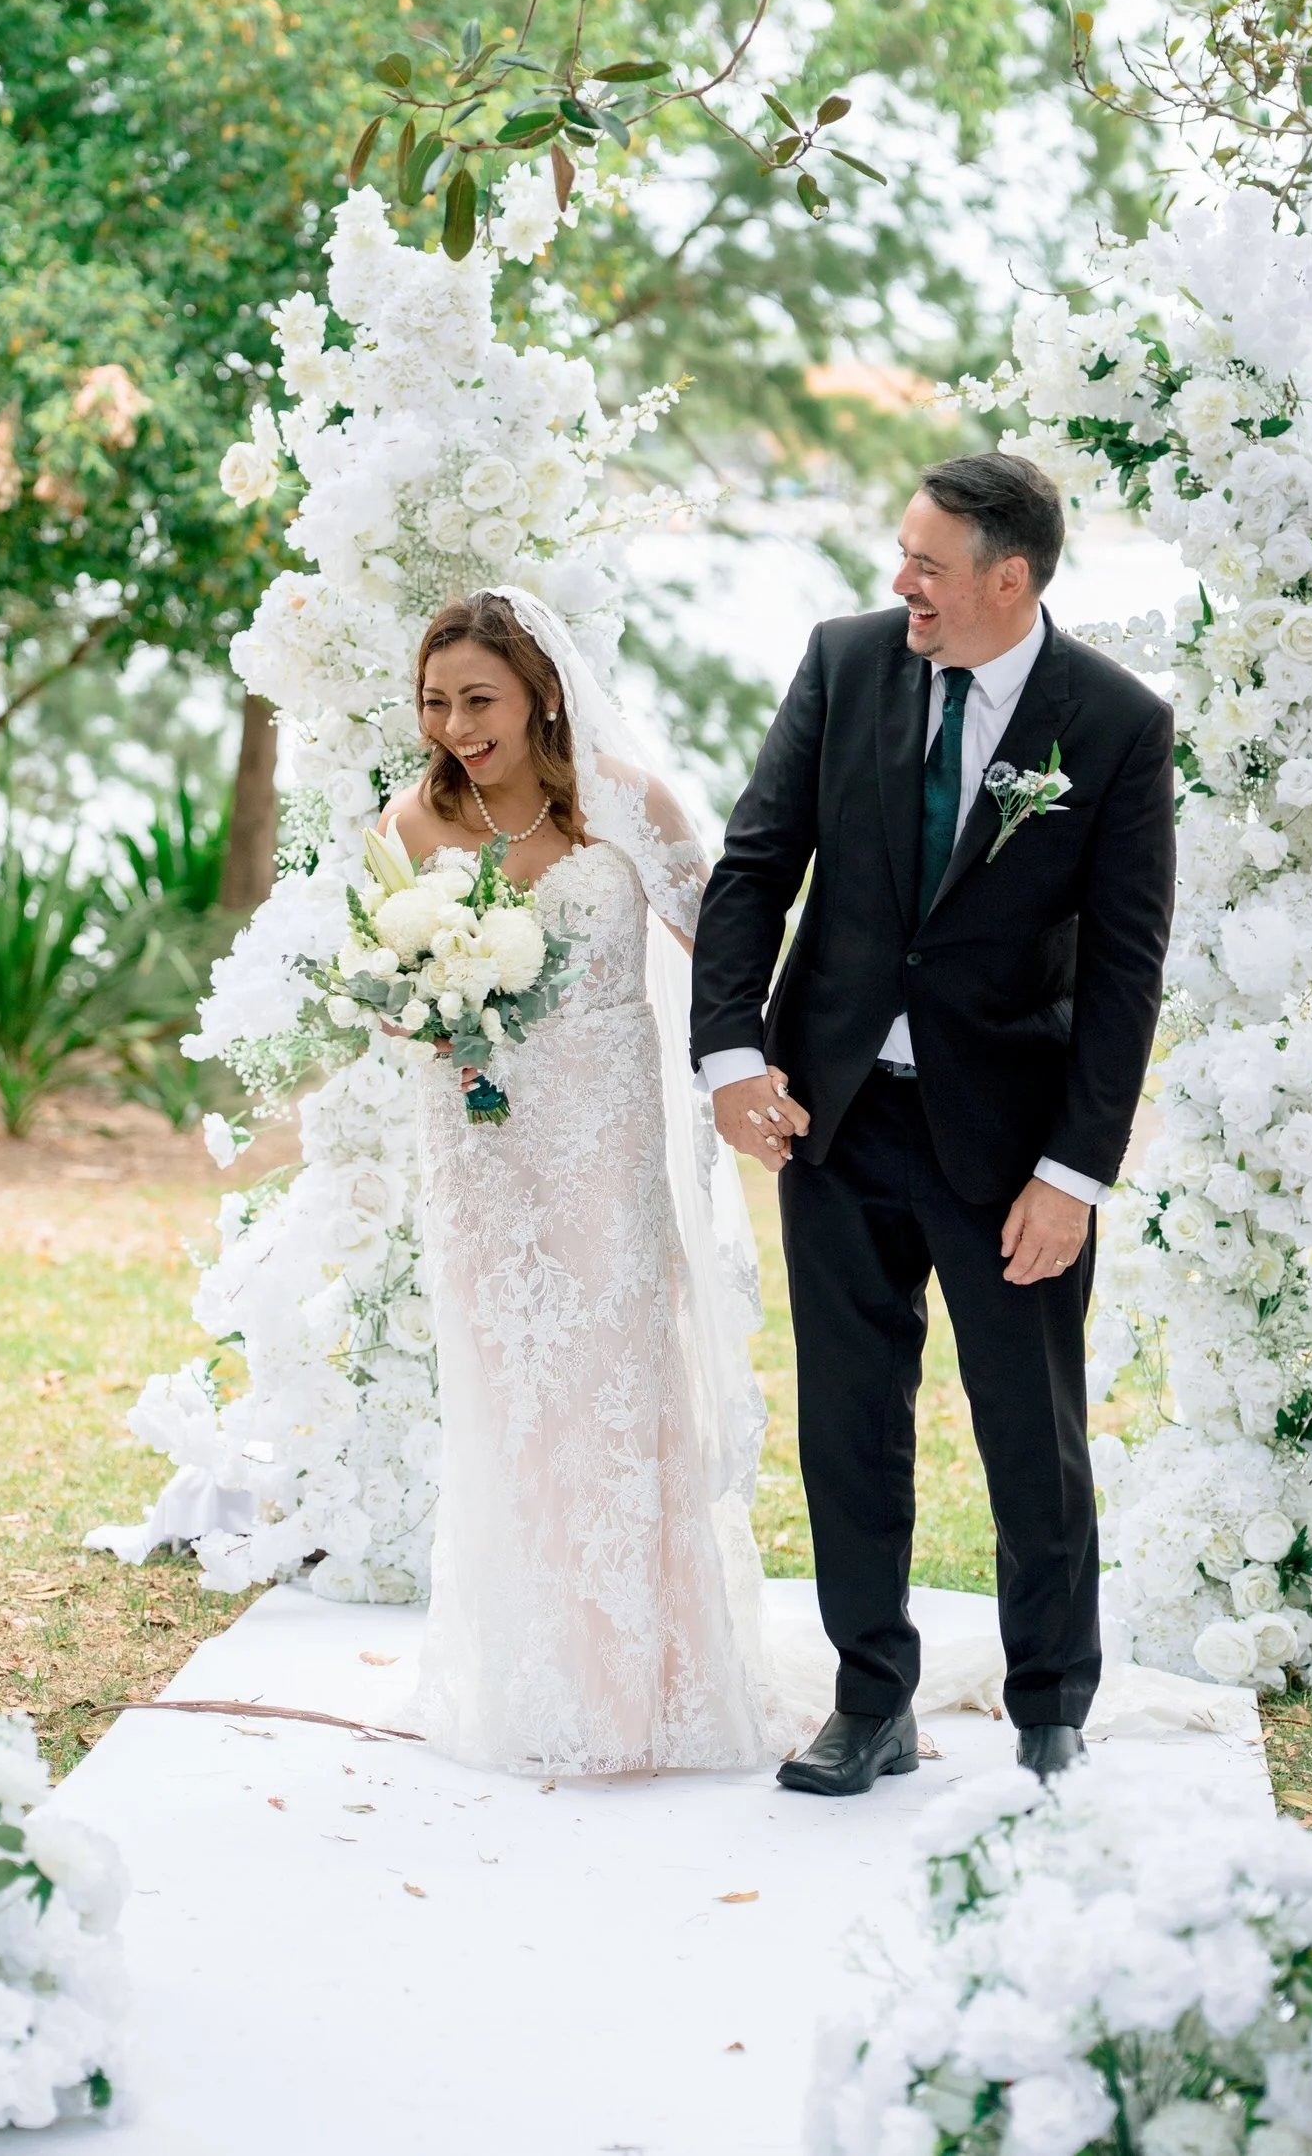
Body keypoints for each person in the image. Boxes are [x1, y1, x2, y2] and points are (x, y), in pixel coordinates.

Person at [692, 452, 1177, 1795]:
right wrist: (733, 1050)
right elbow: (753, 864)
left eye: (927, 562)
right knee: (850, 1420)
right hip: (833, 1117)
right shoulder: (845, 662)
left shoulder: (1118, 721)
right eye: (901, 553)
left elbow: (1127, 969)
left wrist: (1074, 1171)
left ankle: (1051, 1705)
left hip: (1012, 1146)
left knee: (1031, 1427)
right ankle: (871, 1695)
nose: (900, 582)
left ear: (1007, 578)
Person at [384, 587, 779, 1775]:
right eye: (434, 701)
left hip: (605, 1147)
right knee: (513, 1392)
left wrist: (757, 1072)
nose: (455, 724)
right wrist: (425, 1010)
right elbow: (393, 982)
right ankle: (536, 1673)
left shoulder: (625, 804)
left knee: (614, 1388)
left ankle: (650, 1677)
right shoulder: (413, 820)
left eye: (478, 698)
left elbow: (725, 947)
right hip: (481, 1151)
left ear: (541, 691)